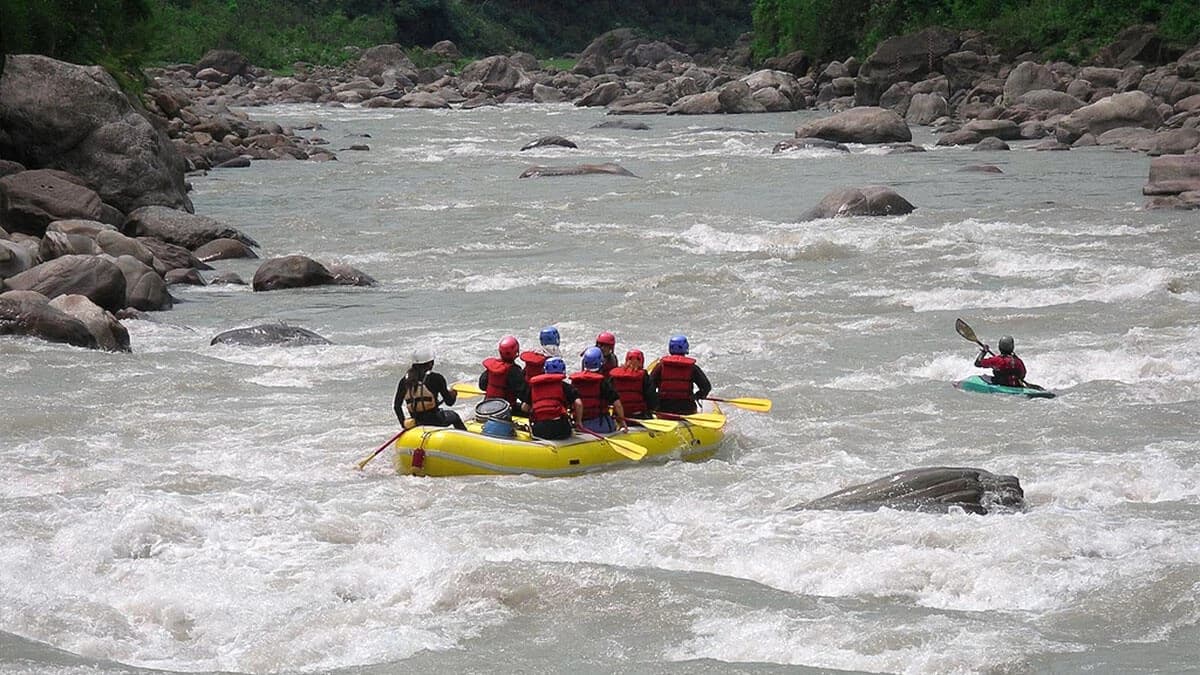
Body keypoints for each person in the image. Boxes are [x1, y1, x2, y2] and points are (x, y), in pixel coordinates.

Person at [393, 347, 466, 430]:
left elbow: (397, 406)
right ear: (430, 363)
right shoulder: (437, 378)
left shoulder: (404, 381)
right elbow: (449, 402)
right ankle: (468, 440)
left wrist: (404, 424)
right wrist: (453, 395)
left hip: (416, 422)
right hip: (436, 420)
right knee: (454, 416)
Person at [651, 334, 712, 415]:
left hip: (663, 408)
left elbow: (650, 388)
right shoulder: (692, 368)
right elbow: (706, 387)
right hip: (686, 409)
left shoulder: (660, 366)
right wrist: (697, 396)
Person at [571, 346, 627, 433]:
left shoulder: (575, 381)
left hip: (579, 425)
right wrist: (623, 422)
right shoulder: (602, 382)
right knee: (613, 423)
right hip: (600, 425)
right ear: (601, 362)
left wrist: (578, 421)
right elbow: (617, 404)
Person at [527, 356, 582, 440]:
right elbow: (578, 404)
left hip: (539, 430)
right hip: (560, 429)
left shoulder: (534, 387)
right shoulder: (565, 386)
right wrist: (578, 422)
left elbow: (524, 407)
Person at [479, 335, 530, 414]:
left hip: (487, 406)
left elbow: (482, 385)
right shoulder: (514, 371)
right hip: (505, 409)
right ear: (516, 352)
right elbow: (523, 394)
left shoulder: (492, 367)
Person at [608, 348, 657, 419]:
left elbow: (609, 396)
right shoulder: (644, 376)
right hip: (639, 415)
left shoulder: (614, 375)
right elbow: (651, 397)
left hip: (618, 415)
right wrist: (653, 409)